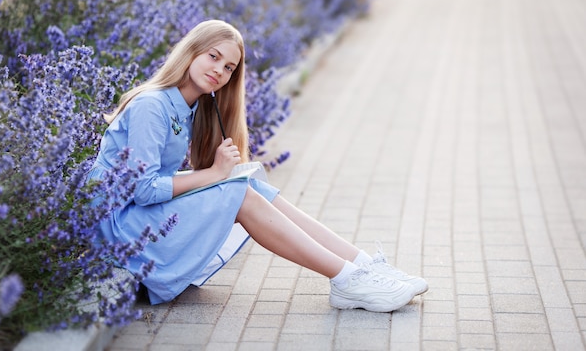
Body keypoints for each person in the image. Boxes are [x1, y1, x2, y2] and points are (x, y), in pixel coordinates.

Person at [87, 19, 428, 312]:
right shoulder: (152, 105)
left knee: (246, 183)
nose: (219, 71)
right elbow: (143, 189)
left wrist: (220, 174)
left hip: (137, 217)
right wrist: (213, 174)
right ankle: (346, 280)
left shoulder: (188, 107)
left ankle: (363, 267)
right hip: (119, 227)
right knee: (239, 192)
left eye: (229, 67)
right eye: (213, 57)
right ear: (190, 51)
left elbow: (154, 182)